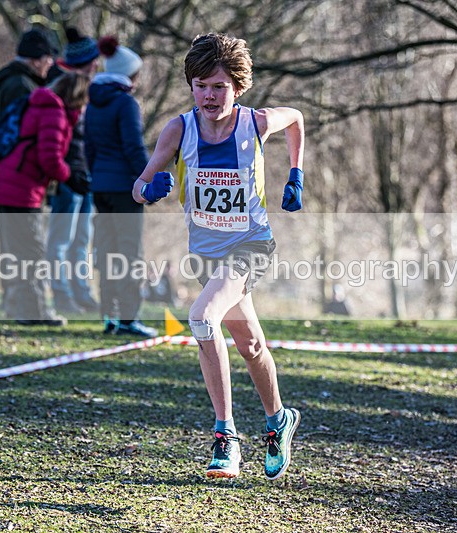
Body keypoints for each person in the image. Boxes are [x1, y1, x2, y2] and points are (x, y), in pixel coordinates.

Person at [131, 33, 305, 480]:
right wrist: (149, 189)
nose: (210, 95)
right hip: (207, 254)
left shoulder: (256, 123)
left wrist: (296, 175)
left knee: (202, 315)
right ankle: (278, 420)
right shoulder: (178, 129)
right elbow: (139, 184)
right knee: (249, 344)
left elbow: (297, 119)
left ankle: (225, 438)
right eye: (202, 85)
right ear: (191, 85)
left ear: (238, 88)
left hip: (251, 246)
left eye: (220, 86)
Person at [0, 72, 92, 326]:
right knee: (32, 253)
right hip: (20, 189)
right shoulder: (54, 112)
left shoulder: (41, 105)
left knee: (17, 252)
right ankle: (36, 312)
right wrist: (70, 176)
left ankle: (18, 306)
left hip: (8, 184)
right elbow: (49, 157)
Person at [84, 36, 157, 337]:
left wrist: (95, 176)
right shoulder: (125, 102)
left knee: (106, 250)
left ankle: (108, 316)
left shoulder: (94, 102)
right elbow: (133, 147)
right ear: (130, 74)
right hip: (125, 188)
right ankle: (128, 318)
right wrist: (147, 180)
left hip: (100, 186)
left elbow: (88, 147)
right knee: (129, 253)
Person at [45, 28, 100, 315]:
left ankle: (81, 291)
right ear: (88, 61)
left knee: (81, 239)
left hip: (87, 174)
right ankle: (61, 294)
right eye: (94, 60)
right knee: (61, 240)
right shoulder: (62, 86)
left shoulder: (90, 87)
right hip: (68, 177)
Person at [0, 29, 56, 120]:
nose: (51, 63)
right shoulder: (21, 86)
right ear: (37, 61)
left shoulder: (14, 81)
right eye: (48, 58)